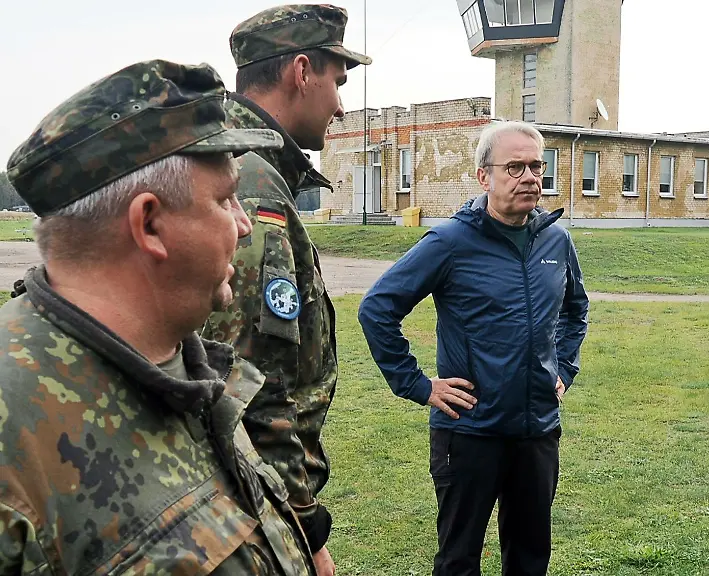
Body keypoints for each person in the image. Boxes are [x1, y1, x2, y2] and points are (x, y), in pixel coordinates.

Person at [0, 59, 316, 574]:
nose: (242, 226)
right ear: (149, 223)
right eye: (225, 198)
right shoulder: (14, 442)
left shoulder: (188, 363)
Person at [358, 120, 590, 576]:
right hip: (469, 433)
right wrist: (419, 385)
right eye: (515, 167)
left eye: (536, 167)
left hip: (536, 431)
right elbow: (378, 309)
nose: (529, 177)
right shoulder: (450, 242)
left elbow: (575, 309)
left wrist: (563, 366)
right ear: (484, 176)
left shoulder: (556, 240)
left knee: (529, 558)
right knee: (459, 560)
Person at [202, 5, 371, 573]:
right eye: (336, 81)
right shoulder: (253, 180)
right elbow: (252, 377)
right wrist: (305, 528)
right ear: (302, 72)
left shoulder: (239, 162)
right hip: (256, 505)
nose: (341, 105)